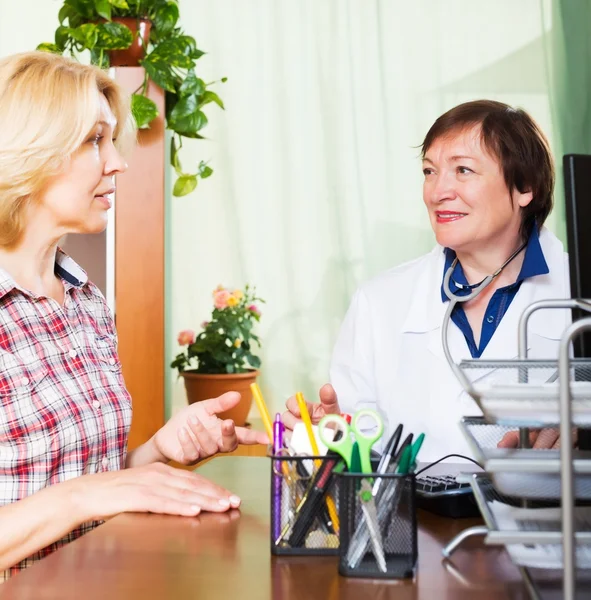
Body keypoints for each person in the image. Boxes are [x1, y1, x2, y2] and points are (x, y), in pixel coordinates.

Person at [0, 51, 266, 578]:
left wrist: (161, 453)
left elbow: (94, 482)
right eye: (95, 140)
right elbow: (84, 494)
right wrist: (91, 493)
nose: (117, 161)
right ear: (32, 150)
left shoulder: (86, 301)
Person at [283, 100, 569, 461]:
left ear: (524, 186)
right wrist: (334, 436)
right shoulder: (380, 300)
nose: (437, 192)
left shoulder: (576, 290)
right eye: (430, 172)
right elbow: (358, 441)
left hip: (551, 516)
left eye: (463, 170)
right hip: (416, 517)